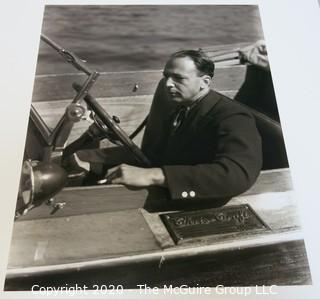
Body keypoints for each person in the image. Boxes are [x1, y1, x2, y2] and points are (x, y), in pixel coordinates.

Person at [76, 50, 263, 202]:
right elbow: (156, 154)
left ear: (204, 82)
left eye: (178, 78)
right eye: (166, 76)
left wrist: (154, 175)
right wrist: (93, 160)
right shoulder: (177, 103)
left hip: (194, 199)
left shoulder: (233, 117)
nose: (167, 84)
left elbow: (237, 175)